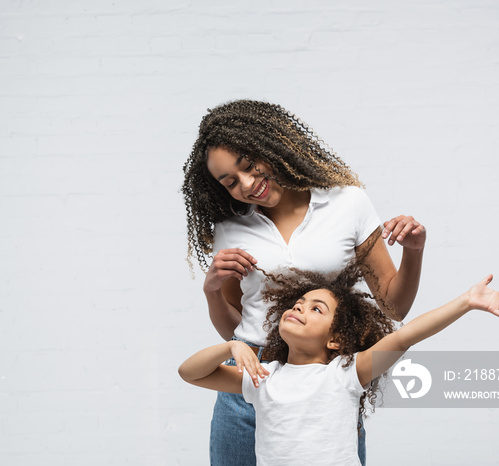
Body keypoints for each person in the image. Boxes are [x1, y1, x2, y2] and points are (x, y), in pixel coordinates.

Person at [182, 99, 426, 465]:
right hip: (249, 376)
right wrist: (212, 289)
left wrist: (414, 250)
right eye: (230, 181)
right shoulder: (231, 228)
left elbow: (394, 306)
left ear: (273, 145)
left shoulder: (348, 204)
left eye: (250, 166)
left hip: (323, 378)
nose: (247, 184)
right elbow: (232, 329)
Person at [179, 264, 499, 466]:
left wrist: (466, 302)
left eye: (316, 309)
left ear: (335, 340)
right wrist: (231, 345)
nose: (299, 308)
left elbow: (405, 337)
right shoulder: (263, 376)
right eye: (299, 303)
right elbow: (190, 373)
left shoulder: (344, 375)